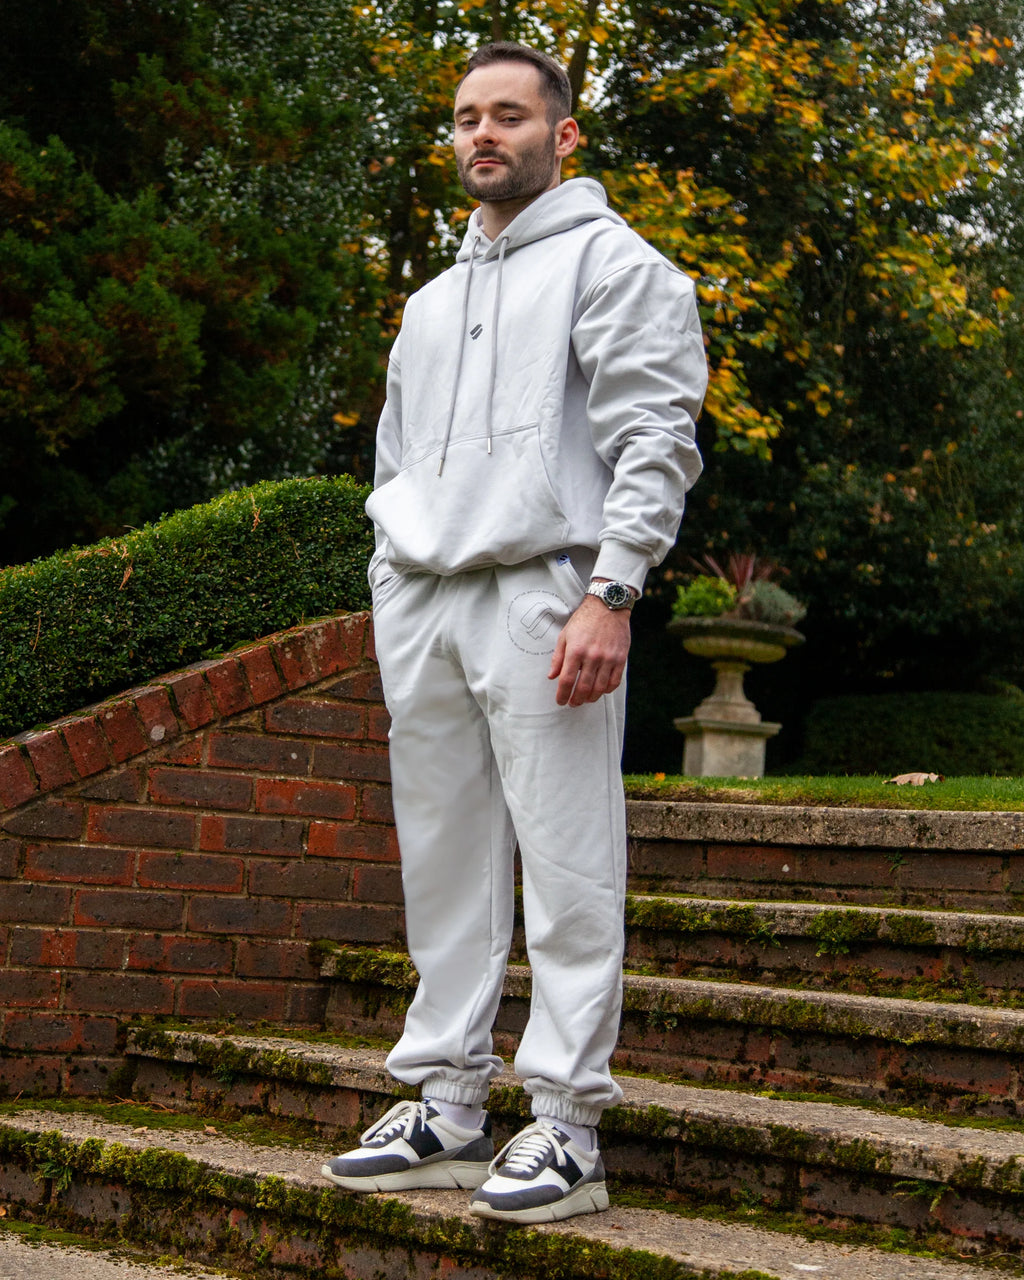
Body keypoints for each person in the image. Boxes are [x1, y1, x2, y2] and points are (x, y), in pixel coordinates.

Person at [322, 41, 706, 1224]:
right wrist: (393, 576)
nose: (483, 134)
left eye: (509, 115)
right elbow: (391, 458)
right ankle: (444, 1098)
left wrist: (615, 587)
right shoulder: (430, 302)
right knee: (442, 858)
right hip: (426, 596)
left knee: (569, 858)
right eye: (464, 118)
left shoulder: (617, 265)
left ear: (563, 134)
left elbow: (656, 439)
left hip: (549, 593)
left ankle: (567, 1126)